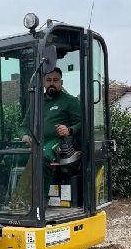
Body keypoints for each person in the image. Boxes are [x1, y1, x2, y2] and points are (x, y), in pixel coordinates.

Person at [10, 68, 81, 209]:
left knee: (42, 154)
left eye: (55, 80)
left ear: (61, 82)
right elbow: (23, 126)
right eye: (48, 80)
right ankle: (10, 199)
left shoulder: (70, 101)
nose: (52, 83)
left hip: (59, 143)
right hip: (37, 143)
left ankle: (33, 202)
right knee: (11, 157)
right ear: (43, 82)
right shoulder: (37, 102)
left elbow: (82, 123)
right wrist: (24, 136)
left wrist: (69, 130)